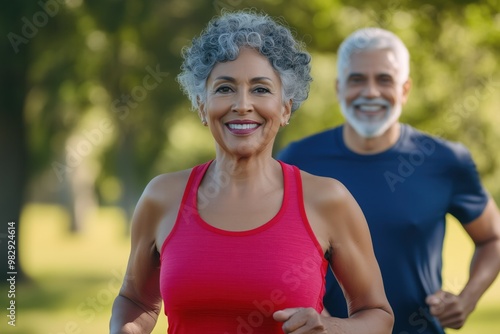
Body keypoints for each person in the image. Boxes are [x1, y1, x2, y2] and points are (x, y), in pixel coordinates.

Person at [109, 11, 394, 334]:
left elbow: (378, 315)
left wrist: (329, 328)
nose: (242, 104)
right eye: (224, 88)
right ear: (202, 106)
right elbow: (137, 300)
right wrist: (126, 329)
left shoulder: (328, 199)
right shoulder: (161, 197)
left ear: (285, 108)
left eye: (260, 89)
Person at [277, 27, 500, 334]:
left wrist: (467, 299)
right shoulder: (298, 159)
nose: (371, 92)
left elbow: (493, 238)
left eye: (384, 79)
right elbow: (275, 251)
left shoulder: (446, 161)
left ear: (405, 89)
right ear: (339, 88)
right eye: (357, 79)